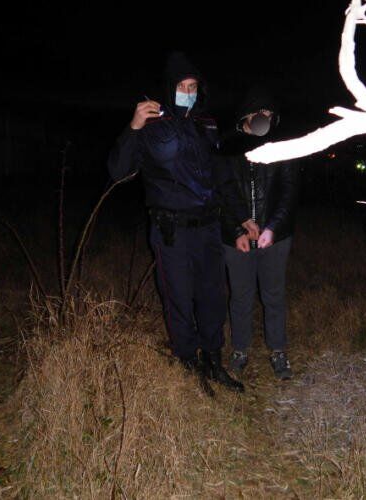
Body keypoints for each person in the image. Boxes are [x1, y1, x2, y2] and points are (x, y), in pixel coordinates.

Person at [107, 52, 254, 394]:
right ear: (169, 87)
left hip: (208, 228)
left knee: (212, 297)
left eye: (193, 86)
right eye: (181, 86)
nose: (188, 92)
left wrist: (241, 218)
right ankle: (188, 362)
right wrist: (132, 128)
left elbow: (222, 178)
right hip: (171, 230)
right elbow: (118, 172)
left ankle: (213, 361)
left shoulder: (207, 124)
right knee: (179, 299)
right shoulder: (151, 124)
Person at [220, 86, 299, 380]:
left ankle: (278, 350)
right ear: (246, 115)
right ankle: (240, 350)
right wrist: (236, 229)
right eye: (259, 112)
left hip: (274, 237)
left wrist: (273, 228)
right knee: (240, 296)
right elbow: (220, 192)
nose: (265, 117)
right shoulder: (226, 146)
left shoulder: (280, 146)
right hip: (237, 239)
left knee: (273, 295)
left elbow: (289, 191)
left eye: (269, 113)